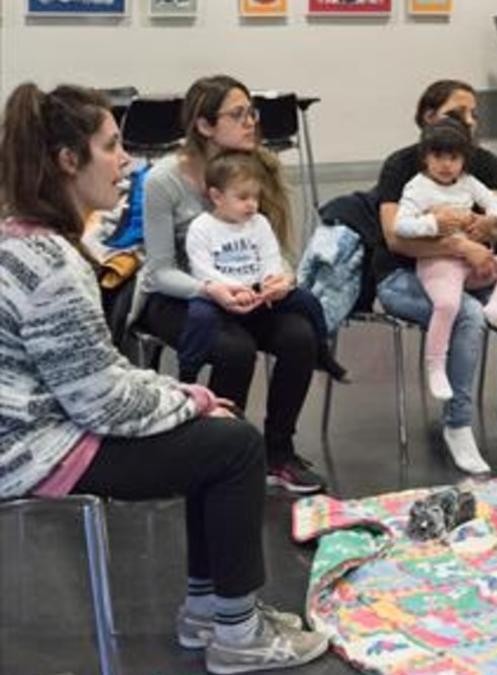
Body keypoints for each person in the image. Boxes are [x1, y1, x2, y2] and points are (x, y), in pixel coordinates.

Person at [0, 83, 327, 674]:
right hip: (32, 449)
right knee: (233, 445)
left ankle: (212, 610)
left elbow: (97, 372)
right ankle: (237, 631)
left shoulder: (25, 239)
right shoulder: (53, 266)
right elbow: (102, 403)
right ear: (67, 162)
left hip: (36, 429)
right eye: (111, 146)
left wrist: (182, 396)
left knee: (214, 432)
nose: (125, 161)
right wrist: (191, 401)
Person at [139, 75, 326, 494]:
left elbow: (275, 248)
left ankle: (278, 454)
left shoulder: (259, 168)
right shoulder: (163, 181)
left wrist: (281, 277)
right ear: (205, 126)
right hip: (181, 295)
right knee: (234, 349)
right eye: (238, 114)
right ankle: (222, 455)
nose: (251, 123)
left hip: (245, 291)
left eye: (252, 113)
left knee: (299, 336)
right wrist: (210, 290)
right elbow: (159, 270)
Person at [374, 80, 497, 475]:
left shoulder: (479, 163)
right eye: (456, 114)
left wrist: (486, 228)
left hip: (469, 270)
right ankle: (458, 424)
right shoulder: (403, 166)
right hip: (406, 274)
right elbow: (397, 239)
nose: (469, 121)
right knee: (465, 313)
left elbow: (495, 224)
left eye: (473, 114)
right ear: (428, 118)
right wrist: (462, 246)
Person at [180, 150, 347, 384]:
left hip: (258, 292)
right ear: (217, 196)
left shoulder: (259, 223)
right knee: (199, 317)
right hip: (219, 294)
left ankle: (321, 351)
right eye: (243, 197)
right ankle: (188, 372)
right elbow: (202, 269)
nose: (252, 205)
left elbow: (270, 257)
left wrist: (271, 280)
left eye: (256, 197)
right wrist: (236, 288)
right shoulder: (201, 227)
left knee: (307, 301)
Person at [394, 117, 497, 401]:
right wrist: (434, 224)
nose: (446, 164)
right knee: (447, 305)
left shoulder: (468, 183)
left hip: (470, 262)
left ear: (464, 160)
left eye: (453, 158)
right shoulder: (417, 187)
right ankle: (435, 365)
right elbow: (401, 226)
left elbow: (496, 202)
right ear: (426, 158)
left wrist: (489, 219)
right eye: (438, 157)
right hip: (438, 263)